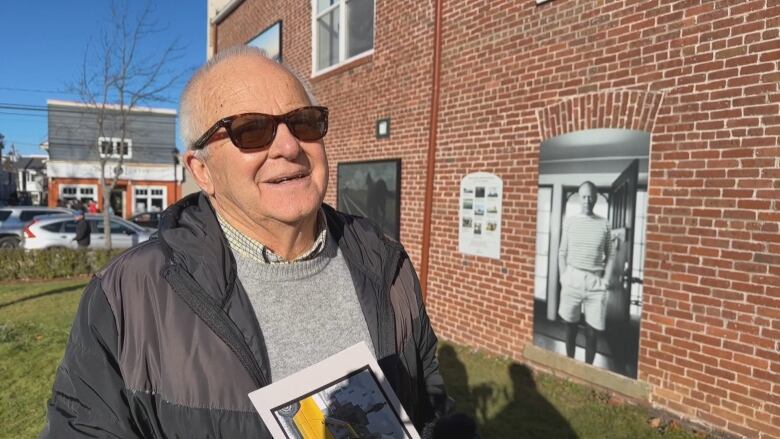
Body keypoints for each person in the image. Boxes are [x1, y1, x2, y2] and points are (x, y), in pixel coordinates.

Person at [41, 47, 452, 438]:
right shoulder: (127, 298)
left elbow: (427, 401)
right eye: (251, 130)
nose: (290, 147)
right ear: (202, 171)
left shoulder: (385, 264)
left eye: (304, 122)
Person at [558, 181, 615, 365]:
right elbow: (562, 252)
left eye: (591, 196)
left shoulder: (604, 224)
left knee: (592, 332)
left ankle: (588, 370)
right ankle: (569, 366)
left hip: (594, 282)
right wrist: (563, 276)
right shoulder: (570, 221)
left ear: (596, 198)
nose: (587, 200)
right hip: (572, 278)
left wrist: (605, 280)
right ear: (579, 197)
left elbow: (612, 254)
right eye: (583, 196)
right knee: (570, 327)